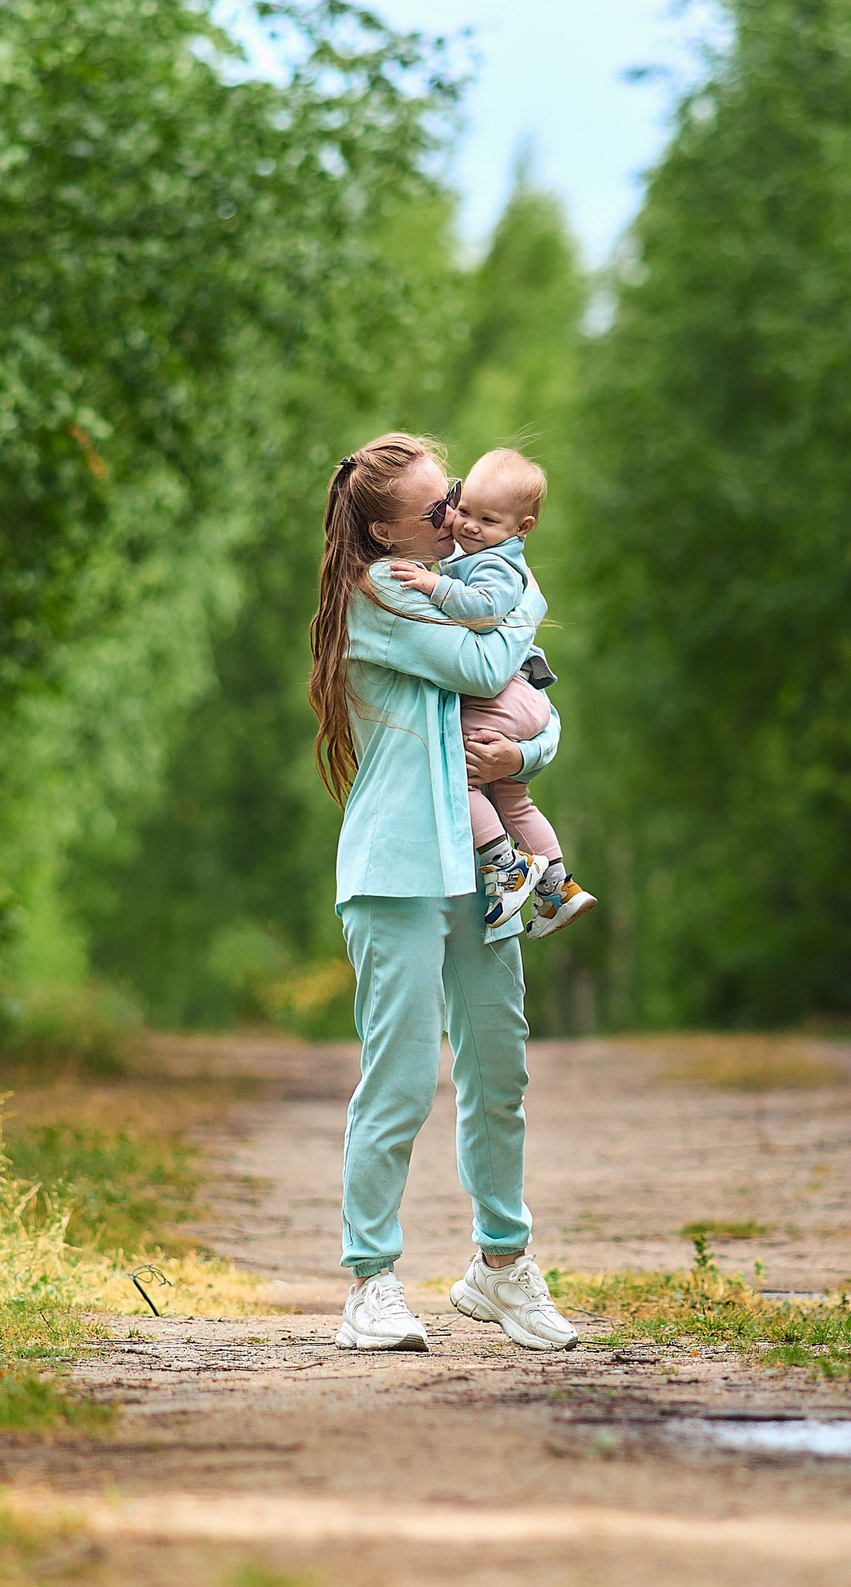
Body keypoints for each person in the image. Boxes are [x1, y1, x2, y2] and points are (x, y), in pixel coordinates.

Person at [307, 431, 579, 1353]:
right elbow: (481, 670)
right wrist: (528, 596)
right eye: (435, 511)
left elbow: (532, 711)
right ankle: (370, 1282)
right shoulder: (380, 592)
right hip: (396, 866)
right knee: (400, 1078)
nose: (456, 517)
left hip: (478, 861)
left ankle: (501, 1269)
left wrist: (524, 754)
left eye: (457, 495)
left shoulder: (466, 585)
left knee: (499, 1070)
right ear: (387, 535)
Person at [388, 447, 598, 940]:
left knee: (457, 774)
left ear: (521, 528)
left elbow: (482, 612)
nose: (469, 526)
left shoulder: (498, 567)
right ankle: (557, 887)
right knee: (513, 798)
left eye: (488, 519)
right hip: (523, 701)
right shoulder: (487, 554)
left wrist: (431, 585)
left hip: (504, 696)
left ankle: (506, 866)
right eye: (463, 510)